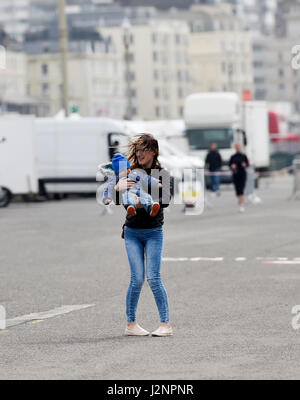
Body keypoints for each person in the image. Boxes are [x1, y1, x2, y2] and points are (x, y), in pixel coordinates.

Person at [113, 134, 173, 337]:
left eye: (143, 150)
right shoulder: (129, 172)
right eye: (136, 150)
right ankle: (131, 324)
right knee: (136, 279)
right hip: (132, 233)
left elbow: (165, 200)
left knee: (154, 278)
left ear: (153, 151)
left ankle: (165, 324)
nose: (138, 154)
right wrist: (116, 188)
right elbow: (120, 201)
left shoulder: (162, 174)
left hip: (153, 233)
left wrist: (143, 192)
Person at [102, 153, 161, 218]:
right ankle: (131, 207)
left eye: (128, 168)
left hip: (139, 191)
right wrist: (107, 198)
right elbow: (108, 189)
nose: (128, 170)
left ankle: (150, 208)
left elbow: (146, 178)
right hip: (128, 193)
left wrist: (157, 183)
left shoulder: (135, 173)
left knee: (146, 196)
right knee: (128, 197)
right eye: (125, 169)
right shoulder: (115, 180)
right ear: (118, 172)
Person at [229, 143, 249, 213]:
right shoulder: (233, 156)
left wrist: (245, 165)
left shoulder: (243, 156)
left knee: (241, 189)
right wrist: (232, 166)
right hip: (235, 174)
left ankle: (241, 204)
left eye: (238, 147)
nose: (237, 148)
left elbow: (247, 164)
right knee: (237, 191)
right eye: (236, 147)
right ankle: (240, 201)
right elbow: (230, 164)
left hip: (242, 174)